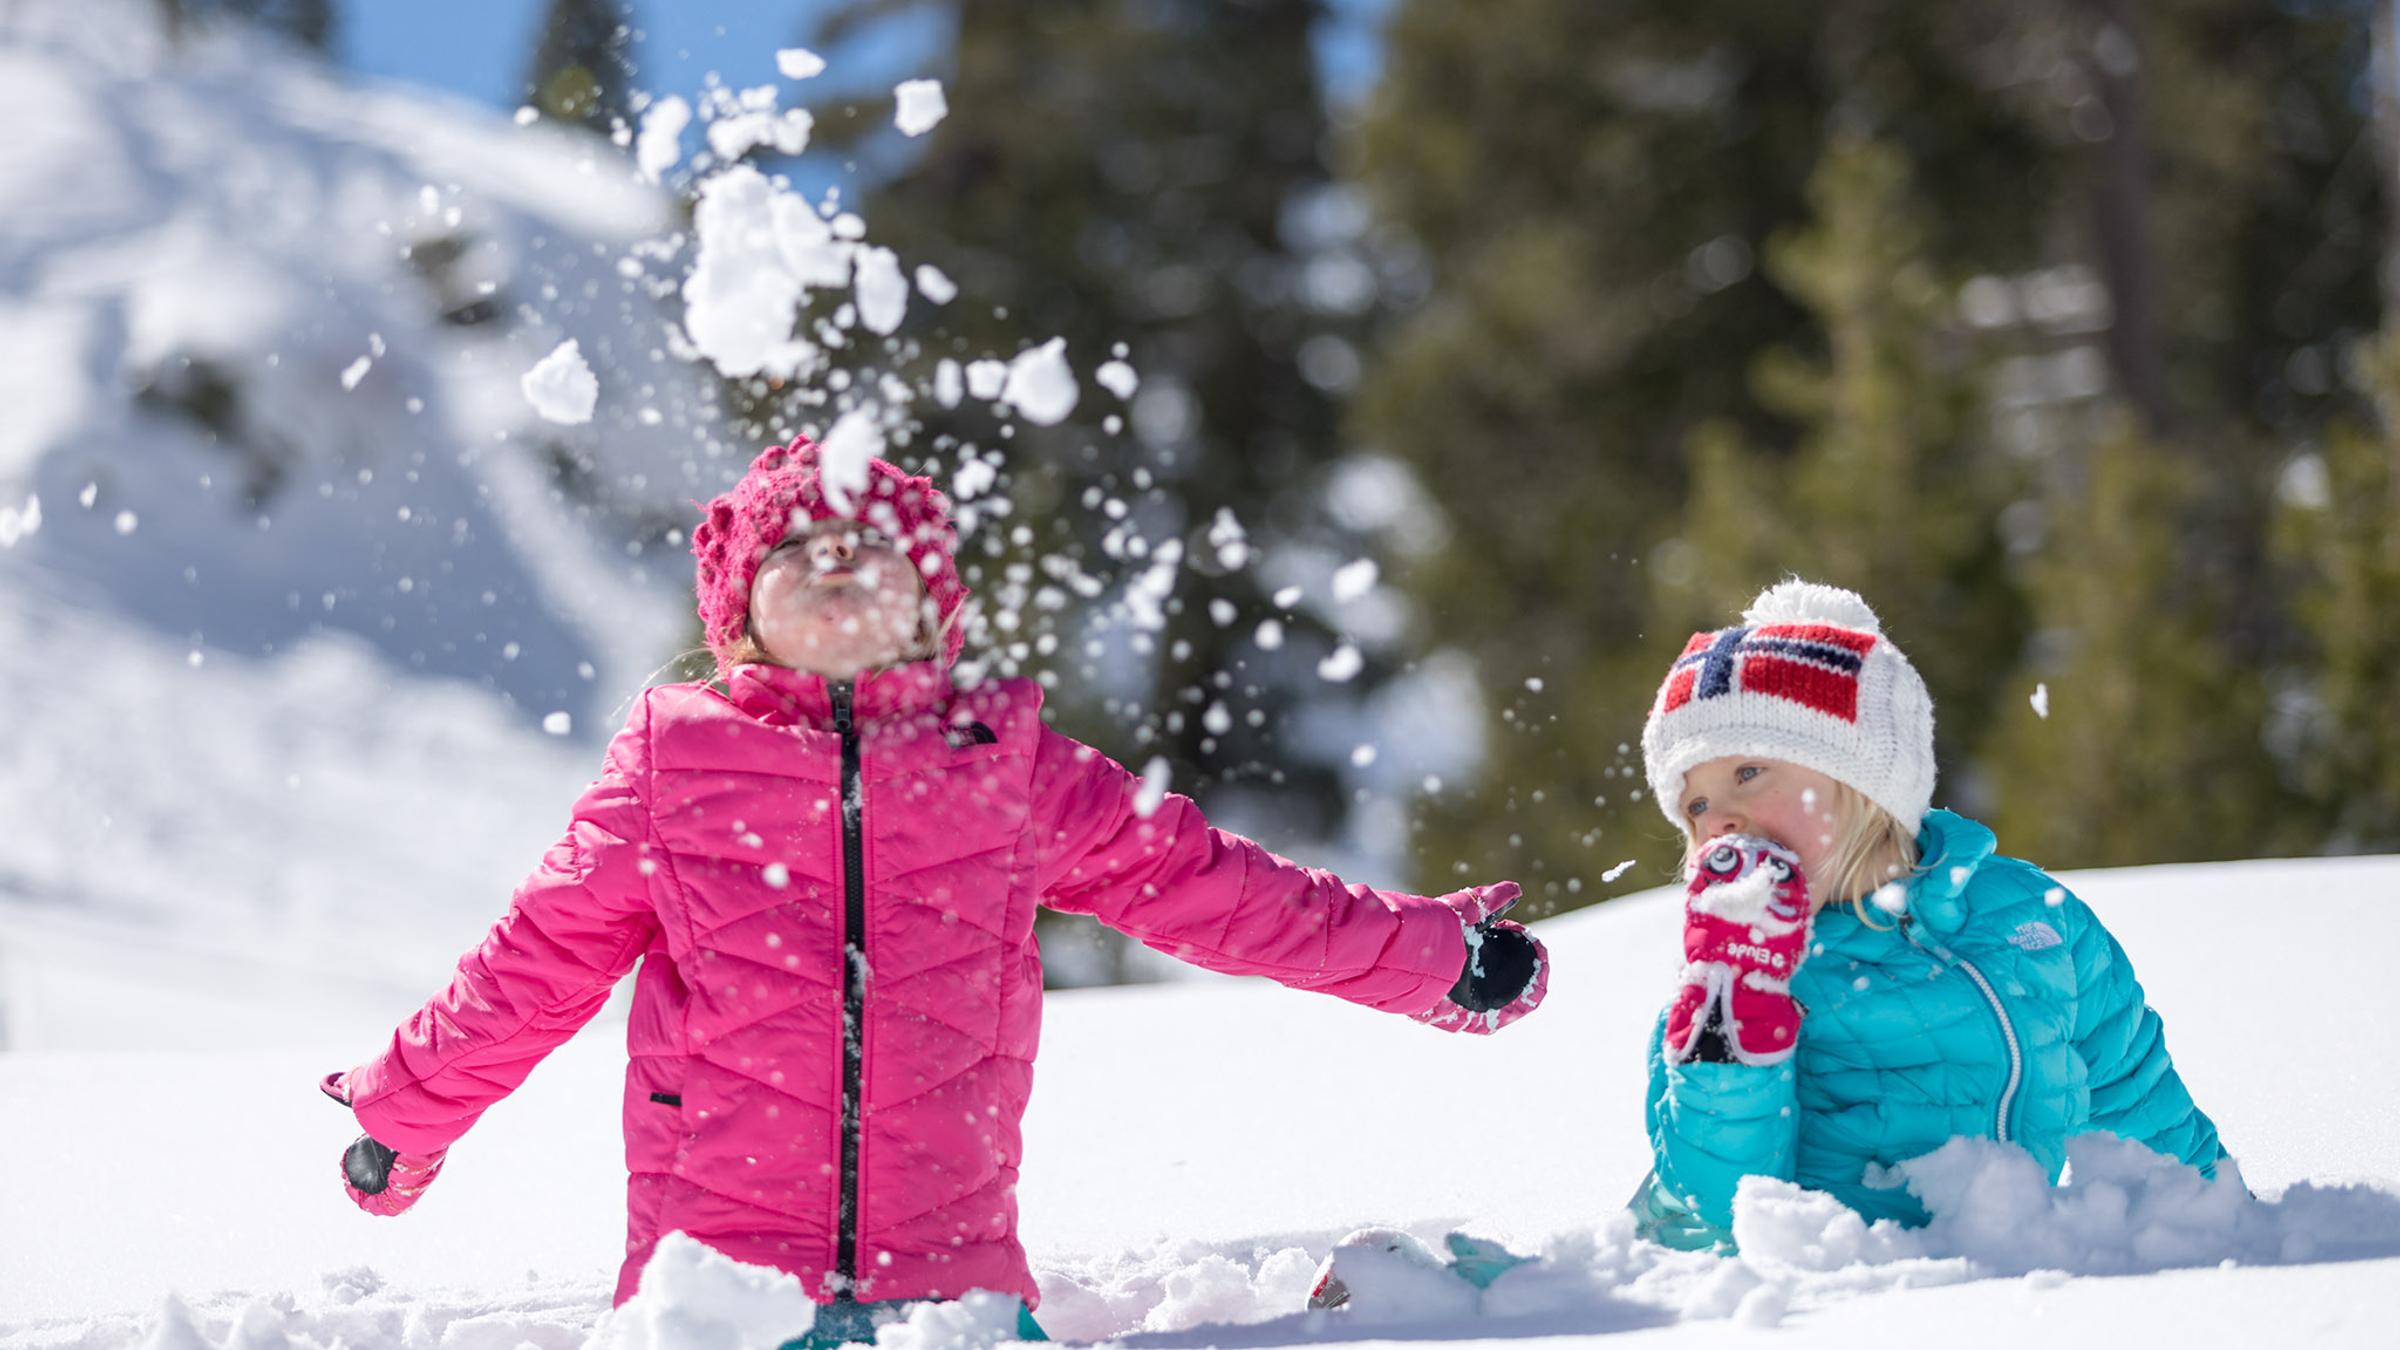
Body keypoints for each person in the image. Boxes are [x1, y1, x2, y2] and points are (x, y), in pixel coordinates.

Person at [319, 438, 1549, 1344]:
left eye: (873, 546)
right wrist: (404, 1116)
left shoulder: (1005, 769)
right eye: (798, 549)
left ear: (933, 613)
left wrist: (1434, 958)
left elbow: (1214, 889)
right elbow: (533, 963)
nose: (838, 559)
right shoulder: (673, 765)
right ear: (737, 621)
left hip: (953, 1288)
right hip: (721, 1299)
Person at [1630, 578, 2224, 1251]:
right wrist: (1731, 1020)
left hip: (2018, 1286)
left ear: (1862, 780)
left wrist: (2212, 1212)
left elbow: (2131, 1091)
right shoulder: (1740, 978)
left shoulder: (2031, 916)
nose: (1720, 820)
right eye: (1696, 805)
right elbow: (1715, 1209)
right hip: (1844, 1298)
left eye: (1747, 774)